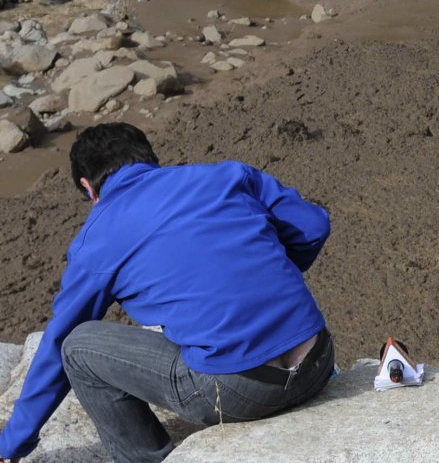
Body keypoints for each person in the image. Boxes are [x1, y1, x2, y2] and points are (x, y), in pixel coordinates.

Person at [0, 122, 334, 463]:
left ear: (88, 187)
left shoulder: (97, 239)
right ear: (149, 158)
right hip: (318, 361)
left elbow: (59, 342)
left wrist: (11, 444)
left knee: (78, 347)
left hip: (239, 392)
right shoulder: (228, 175)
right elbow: (313, 226)